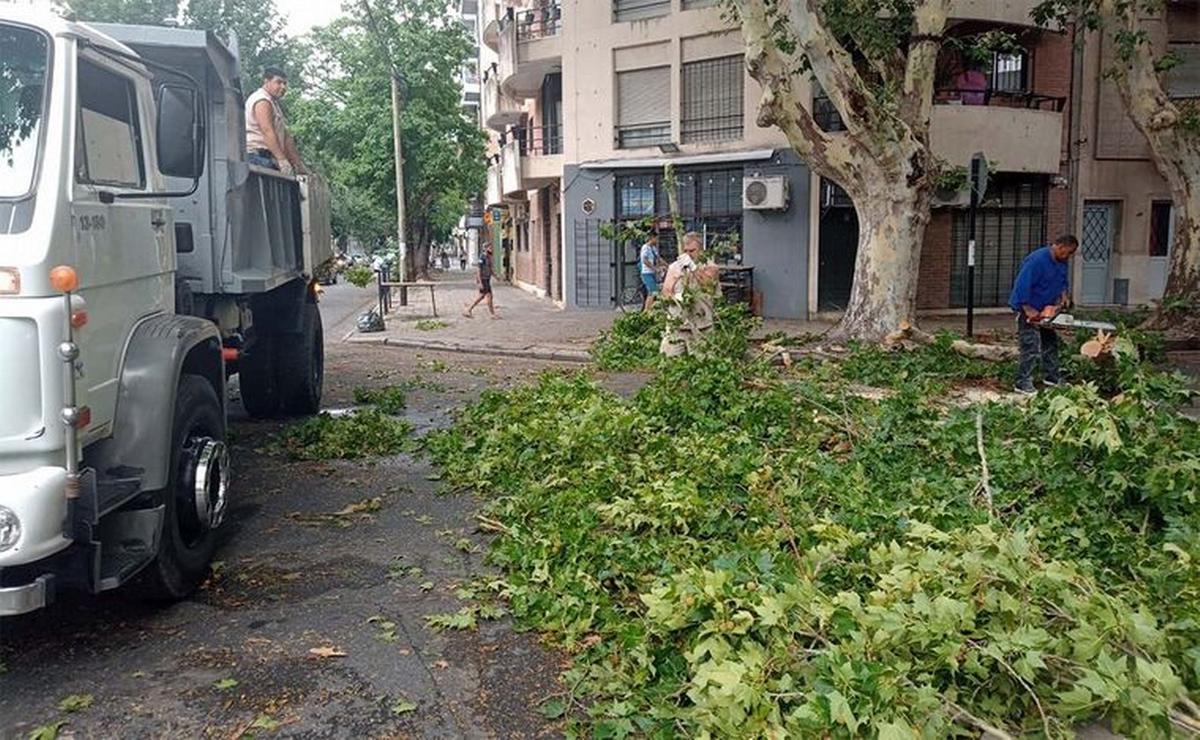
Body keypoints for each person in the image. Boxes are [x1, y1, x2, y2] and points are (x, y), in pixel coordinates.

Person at [1009, 234, 1079, 395]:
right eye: (1067, 253)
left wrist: (1064, 296)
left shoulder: (1061, 262)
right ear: (1060, 247)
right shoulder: (1036, 261)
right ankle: (1022, 382)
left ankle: (1052, 376)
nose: (1068, 257)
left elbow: (1062, 281)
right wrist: (1028, 309)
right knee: (1030, 346)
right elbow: (1021, 285)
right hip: (1030, 308)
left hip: (1047, 309)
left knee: (1050, 343)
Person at [660, 232, 720, 357]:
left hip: (702, 324)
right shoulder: (674, 267)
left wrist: (693, 268)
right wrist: (676, 297)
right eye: (685, 251)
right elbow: (665, 292)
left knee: (705, 362)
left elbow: (708, 286)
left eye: (692, 251)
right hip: (678, 324)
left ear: (701, 250)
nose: (688, 254)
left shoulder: (710, 266)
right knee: (668, 359)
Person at [245, 67, 305, 175]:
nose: (283, 87)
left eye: (285, 84)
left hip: (268, 156)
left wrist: (299, 166)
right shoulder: (262, 100)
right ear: (266, 82)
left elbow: (286, 138)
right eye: (278, 82)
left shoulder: (274, 104)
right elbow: (267, 131)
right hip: (257, 156)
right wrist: (282, 160)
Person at [464, 244, 498, 319]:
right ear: (485, 248)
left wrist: (495, 276)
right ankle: (491, 314)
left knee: (485, 296)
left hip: (487, 279)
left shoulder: (488, 257)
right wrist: (479, 282)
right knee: (486, 296)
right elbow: (478, 270)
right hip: (483, 279)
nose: (491, 249)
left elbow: (490, 269)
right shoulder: (482, 257)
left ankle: (469, 309)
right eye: (490, 248)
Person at [639, 233, 665, 312]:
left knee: (654, 292)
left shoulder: (653, 248)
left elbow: (659, 258)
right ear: (652, 238)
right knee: (653, 292)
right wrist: (655, 269)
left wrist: (668, 266)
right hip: (646, 273)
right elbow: (645, 260)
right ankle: (646, 311)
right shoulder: (645, 248)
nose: (657, 240)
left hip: (652, 273)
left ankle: (649, 310)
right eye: (656, 238)